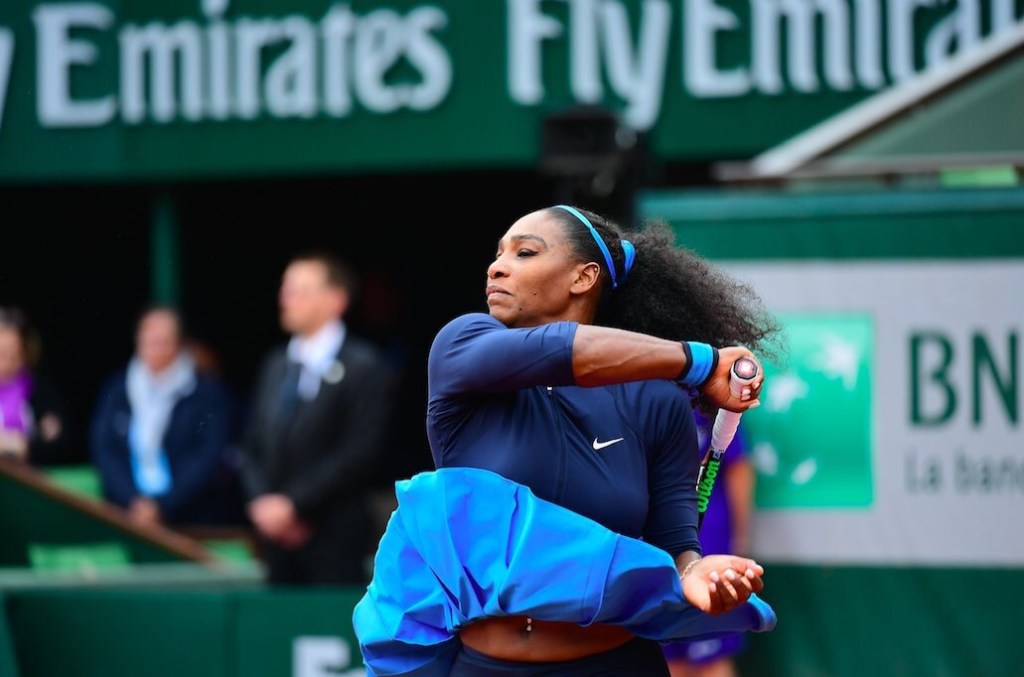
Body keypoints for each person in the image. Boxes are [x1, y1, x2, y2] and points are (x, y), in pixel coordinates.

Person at [353, 204, 782, 676]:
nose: (497, 267)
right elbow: (562, 349)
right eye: (498, 255)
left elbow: (676, 542)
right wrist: (701, 362)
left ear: (583, 277)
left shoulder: (658, 399)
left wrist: (695, 573)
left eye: (524, 253)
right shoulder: (461, 347)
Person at [239, 251, 397, 586]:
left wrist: (294, 506)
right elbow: (252, 444)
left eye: (299, 291)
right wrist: (265, 506)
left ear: (336, 300)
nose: (286, 299)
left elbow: (361, 451)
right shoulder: (275, 364)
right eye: (285, 290)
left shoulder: (363, 365)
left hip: (334, 539)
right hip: (276, 542)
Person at [89, 305, 241, 528]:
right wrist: (133, 501)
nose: (156, 348)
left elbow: (207, 456)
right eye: (149, 340)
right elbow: (105, 448)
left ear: (178, 344)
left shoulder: (206, 392)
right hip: (127, 514)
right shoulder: (117, 388)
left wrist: (162, 505)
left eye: (163, 341)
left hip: (188, 517)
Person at [663, 414, 756, 677]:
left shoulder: (715, 403)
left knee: (711, 656)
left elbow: (739, 467)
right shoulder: (642, 401)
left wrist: (739, 538)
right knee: (668, 656)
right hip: (657, 545)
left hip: (706, 541)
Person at [0, 306, 74, 467]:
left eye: (14, 355)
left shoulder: (40, 391)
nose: (7, 363)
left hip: (28, 476)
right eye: (2, 354)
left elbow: (58, 442)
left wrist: (26, 446)